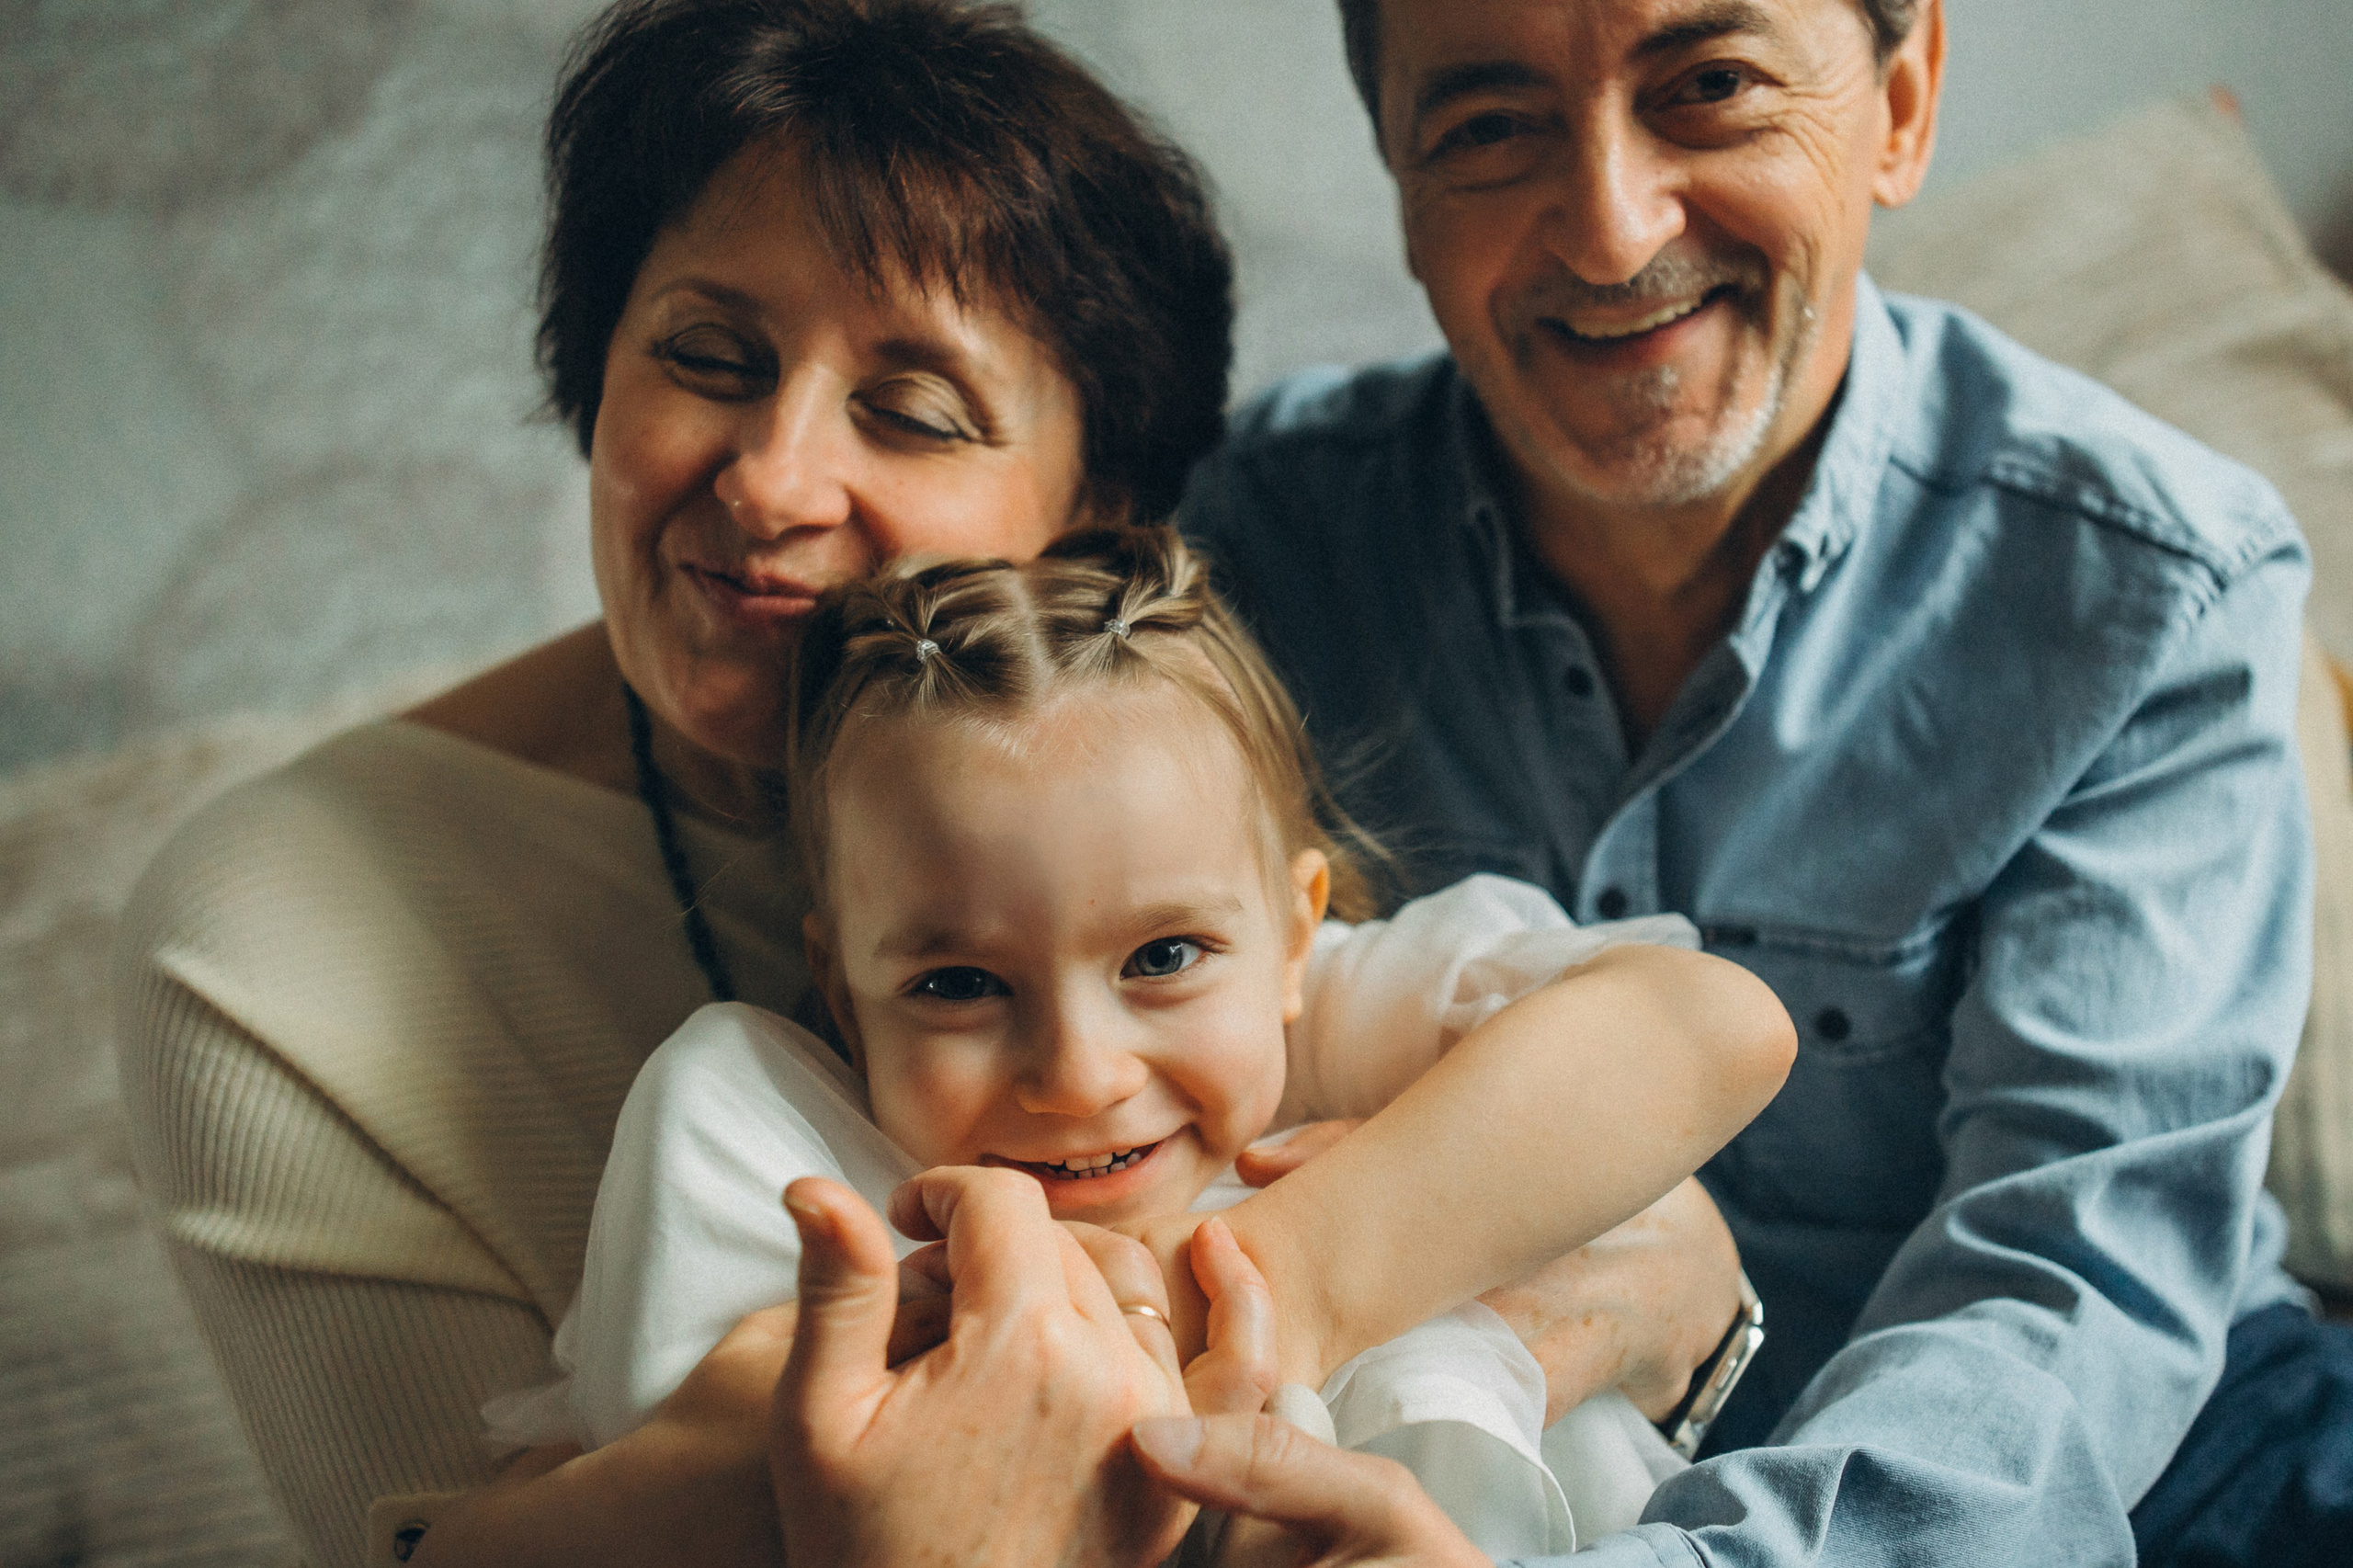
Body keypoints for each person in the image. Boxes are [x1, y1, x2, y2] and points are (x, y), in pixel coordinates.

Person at [113, 4, 1745, 1565]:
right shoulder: (277, 941)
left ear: (1099, 507)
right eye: (704, 354)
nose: (771, 481)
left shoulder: (1162, 786)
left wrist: (1282, 1288)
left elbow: (1674, 1103)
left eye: (911, 408)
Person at [1176, 0, 2350, 1562]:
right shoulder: (1242, 562)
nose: (1608, 230)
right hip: (1509, 1463)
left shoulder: (2151, 592)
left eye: (1712, 87)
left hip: (2150, 1462)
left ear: (1905, 99)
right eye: (1489, 125)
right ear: (1400, 171)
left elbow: (2066, 1292)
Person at [461, 532, 1793, 1562]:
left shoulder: (1324, 1011)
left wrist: (1270, 1280)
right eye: (959, 981)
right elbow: (712, 1473)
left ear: (1293, 928)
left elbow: (1717, 1023)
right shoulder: (760, 1120)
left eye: (1161, 957)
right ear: (839, 979)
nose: (1082, 1072)